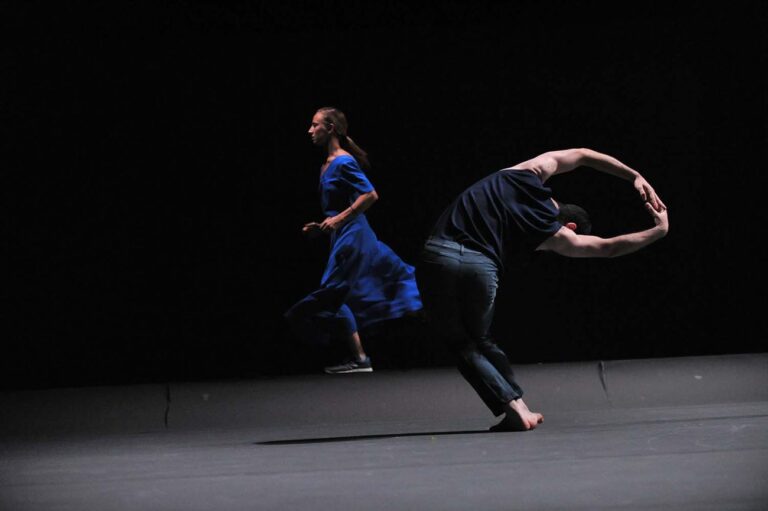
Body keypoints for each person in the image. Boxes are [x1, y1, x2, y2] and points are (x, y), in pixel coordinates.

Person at [417, 148, 668, 431]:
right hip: (479, 267)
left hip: (438, 255)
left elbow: (583, 155)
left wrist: (634, 175)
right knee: (478, 340)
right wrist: (658, 232)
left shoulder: (528, 173)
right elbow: (607, 248)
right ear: (571, 226)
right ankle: (517, 407)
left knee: (461, 342)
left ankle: (516, 407)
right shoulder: (555, 235)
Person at [285, 107, 422, 374]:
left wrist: (338, 220)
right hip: (345, 235)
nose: (310, 130)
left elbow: (370, 195)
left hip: (354, 236)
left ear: (330, 128)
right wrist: (322, 227)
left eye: (315, 125)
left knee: (331, 295)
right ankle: (361, 359)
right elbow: (337, 208)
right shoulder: (327, 165)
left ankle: (358, 357)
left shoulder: (344, 162)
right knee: (349, 291)